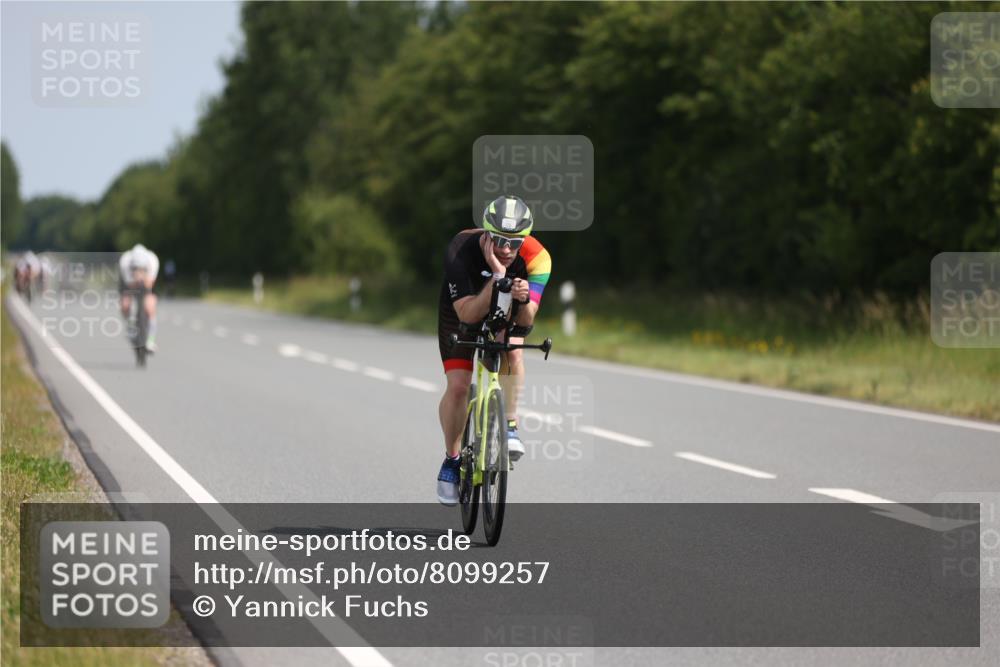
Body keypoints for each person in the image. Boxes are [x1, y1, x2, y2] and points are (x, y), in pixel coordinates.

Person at [436, 195, 552, 505]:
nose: (505, 248)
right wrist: (498, 277)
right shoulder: (461, 248)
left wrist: (524, 299)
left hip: (510, 310)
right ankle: (452, 458)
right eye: (499, 239)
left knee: (513, 350)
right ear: (486, 232)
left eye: (515, 242)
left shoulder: (538, 258)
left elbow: (527, 321)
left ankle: (510, 426)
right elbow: (468, 316)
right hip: (463, 308)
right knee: (459, 387)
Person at [118, 243, 160, 352]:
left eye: (141, 268)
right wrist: (136, 278)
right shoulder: (125, 262)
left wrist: (143, 277)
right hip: (129, 283)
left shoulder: (153, 261)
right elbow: (129, 285)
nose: (138, 270)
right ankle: (130, 327)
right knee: (125, 304)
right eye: (136, 268)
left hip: (147, 283)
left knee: (150, 307)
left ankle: (150, 340)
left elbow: (150, 285)